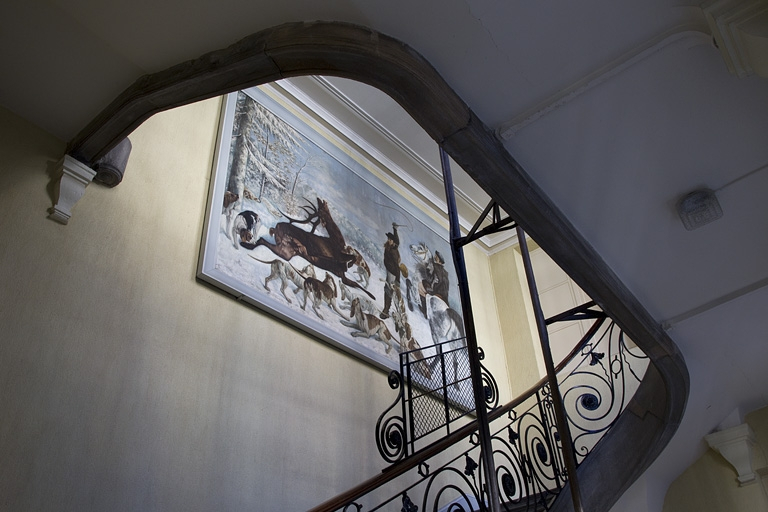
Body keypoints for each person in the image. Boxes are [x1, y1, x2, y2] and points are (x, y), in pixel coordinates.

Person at [380, 223, 401, 320]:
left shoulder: (393, 251)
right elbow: (397, 240)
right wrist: (394, 229)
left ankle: (386, 310)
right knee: (387, 289)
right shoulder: (389, 247)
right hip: (389, 271)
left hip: (392, 273)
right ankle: (386, 308)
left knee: (389, 290)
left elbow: (397, 266)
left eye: (390, 239)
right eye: (388, 239)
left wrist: (398, 279)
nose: (389, 240)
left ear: (393, 241)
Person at [419, 250, 449, 317]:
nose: (434, 256)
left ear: (438, 258)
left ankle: (425, 311)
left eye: (436, 256)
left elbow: (432, 280)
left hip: (437, 292)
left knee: (420, 285)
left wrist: (427, 270)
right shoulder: (445, 272)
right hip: (444, 296)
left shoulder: (435, 266)